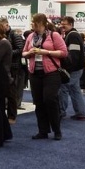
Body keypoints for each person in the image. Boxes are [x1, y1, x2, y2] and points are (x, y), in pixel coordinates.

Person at [22, 13, 67, 141]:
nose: (32, 25)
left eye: (33, 22)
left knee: (50, 100)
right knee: (39, 102)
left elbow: (64, 52)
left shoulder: (54, 35)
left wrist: (45, 52)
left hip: (51, 73)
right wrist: (29, 53)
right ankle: (43, 130)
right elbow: (23, 52)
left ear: (41, 23)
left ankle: (57, 130)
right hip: (35, 73)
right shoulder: (30, 36)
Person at [0, 17, 25, 125]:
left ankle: (12, 116)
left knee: (12, 93)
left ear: (6, 25)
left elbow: (20, 49)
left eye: (1, 26)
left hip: (14, 67)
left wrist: (7, 53)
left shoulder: (14, 35)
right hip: (4, 67)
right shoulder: (2, 36)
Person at [58, 16, 85, 121]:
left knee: (63, 87)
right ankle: (80, 113)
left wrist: (68, 68)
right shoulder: (72, 35)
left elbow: (74, 54)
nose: (62, 25)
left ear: (71, 24)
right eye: (61, 23)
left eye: (64, 24)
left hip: (74, 69)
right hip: (77, 68)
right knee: (75, 90)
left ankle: (61, 112)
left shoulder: (73, 36)